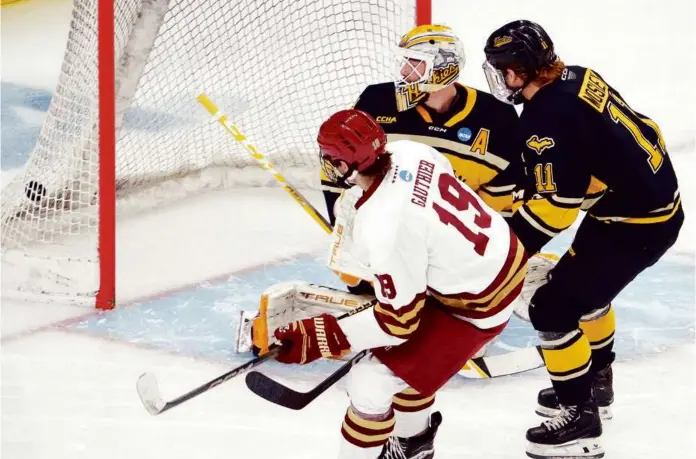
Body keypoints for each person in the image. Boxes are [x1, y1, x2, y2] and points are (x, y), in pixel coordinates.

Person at [272, 109, 528, 459]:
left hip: (478, 306)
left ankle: (406, 444)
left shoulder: (382, 226)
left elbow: (398, 324)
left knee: (370, 382)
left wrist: (321, 336)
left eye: (330, 157)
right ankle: (413, 445)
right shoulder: (412, 151)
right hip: (500, 257)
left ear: (345, 165)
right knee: (402, 366)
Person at [482, 20, 684, 459]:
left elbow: (556, 210)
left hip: (634, 225)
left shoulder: (546, 118)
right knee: (587, 292)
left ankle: (579, 419)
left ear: (520, 71)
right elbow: (643, 128)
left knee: (551, 305)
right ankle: (595, 384)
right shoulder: (578, 75)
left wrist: (503, 253)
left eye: (502, 69)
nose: (499, 78)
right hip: (646, 204)